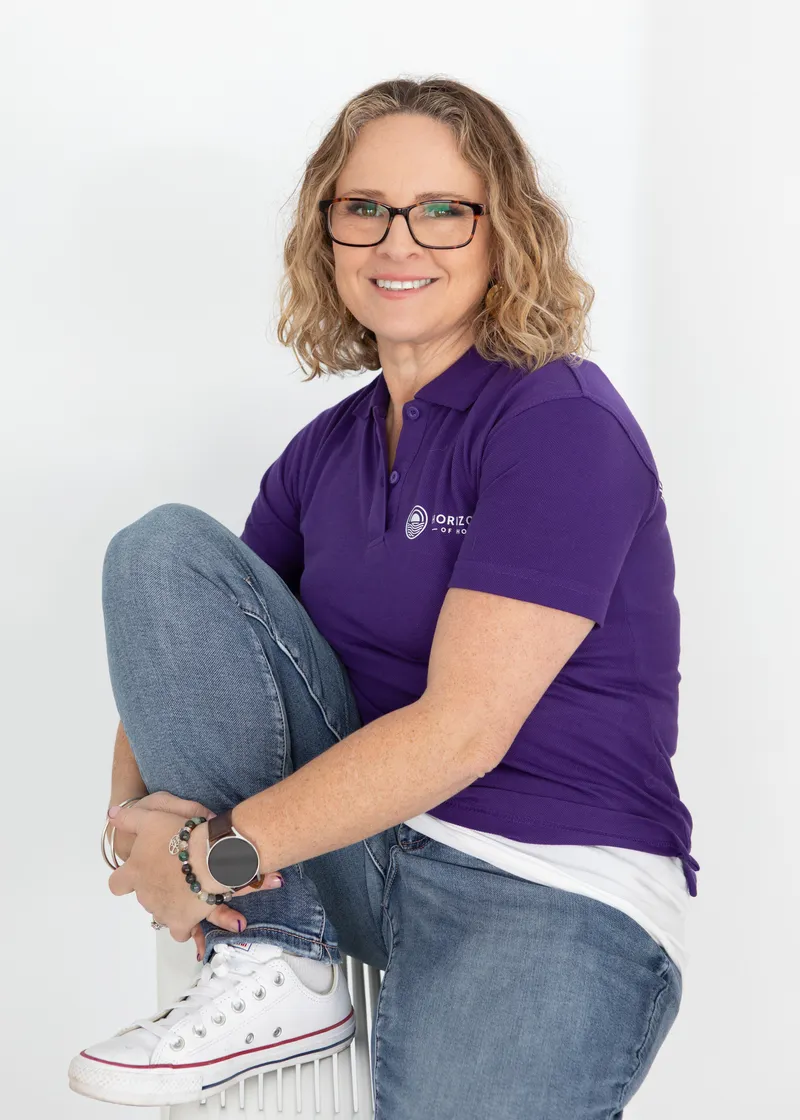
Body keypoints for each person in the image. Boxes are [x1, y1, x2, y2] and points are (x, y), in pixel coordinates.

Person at [68, 76, 698, 1118]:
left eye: (442, 210)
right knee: (162, 552)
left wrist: (211, 853)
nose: (397, 241)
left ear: (507, 234)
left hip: (540, 878)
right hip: (364, 852)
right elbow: (188, 636)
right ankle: (282, 955)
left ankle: (267, 916)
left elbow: (462, 734)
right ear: (325, 233)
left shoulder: (559, 419)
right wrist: (133, 820)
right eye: (363, 209)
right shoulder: (328, 451)